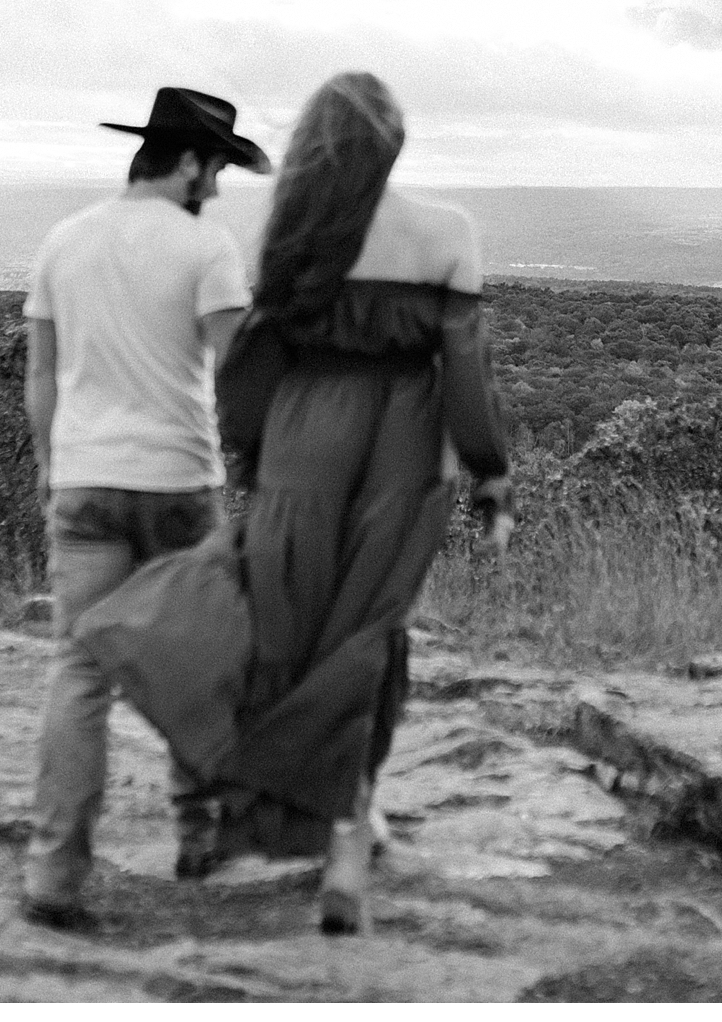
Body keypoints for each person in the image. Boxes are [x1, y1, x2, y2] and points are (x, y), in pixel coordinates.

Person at [73, 70, 515, 935]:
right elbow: (464, 370)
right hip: (403, 440)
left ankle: (263, 802)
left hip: (303, 434)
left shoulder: (290, 229)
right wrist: (491, 472)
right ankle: (347, 836)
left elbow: (254, 365)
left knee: (290, 626)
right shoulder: (447, 230)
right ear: (392, 144)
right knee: (367, 629)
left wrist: (245, 450)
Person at [19, 86, 273, 931]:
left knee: (80, 670)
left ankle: (54, 878)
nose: (221, 188)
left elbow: (42, 379)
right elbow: (237, 377)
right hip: (176, 481)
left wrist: (55, 469)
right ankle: (200, 840)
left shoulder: (64, 240)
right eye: (219, 169)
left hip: (84, 481)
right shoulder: (206, 247)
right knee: (198, 660)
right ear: (192, 162)